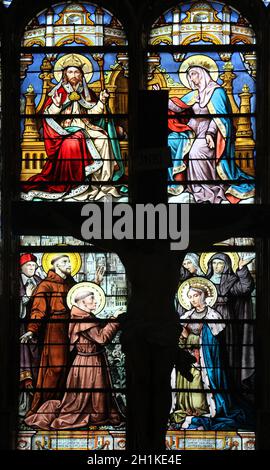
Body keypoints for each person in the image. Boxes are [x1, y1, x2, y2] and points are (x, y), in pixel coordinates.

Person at [21, 53, 124, 201]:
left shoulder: (86, 92)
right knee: (73, 142)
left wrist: (101, 101)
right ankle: (79, 185)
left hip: (86, 127)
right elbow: (48, 115)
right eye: (70, 71)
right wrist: (57, 105)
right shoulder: (58, 92)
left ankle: (103, 185)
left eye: (76, 71)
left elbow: (92, 112)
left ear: (82, 74)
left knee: (103, 138)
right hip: (65, 130)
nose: (73, 75)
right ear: (64, 74)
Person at [154, 55, 255, 203]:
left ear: (202, 73)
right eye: (189, 75)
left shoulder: (217, 92)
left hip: (211, 131)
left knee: (197, 151)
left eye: (193, 74)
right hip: (192, 129)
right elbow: (178, 106)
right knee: (171, 141)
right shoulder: (195, 94)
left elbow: (220, 117)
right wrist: (161, 97)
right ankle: (177, 184)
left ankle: (204, 189)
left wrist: (209, 133)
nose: (190, 78)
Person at [25, 288, 124, 430]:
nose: (96, 302)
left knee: (91, 398)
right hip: (89, 364)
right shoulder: (84, 320)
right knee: (93, 405)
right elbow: (102, 338)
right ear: (82, 302)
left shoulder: (80, 316)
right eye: (92, 299)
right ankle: (93, 415)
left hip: (85, 361)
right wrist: (114, 320)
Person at [171, 279, 249, 430]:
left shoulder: (214, 316)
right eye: (190, 297)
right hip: (187, 360)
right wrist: (184, 337)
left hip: (206, 361)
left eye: (195, 296)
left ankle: (202, 411)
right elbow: (179, 340)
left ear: (204, 296)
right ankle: (185, 411)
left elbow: (214, 342)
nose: (193, 300)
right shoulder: (186, 316)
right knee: (186, 383)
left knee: (200, 384)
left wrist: (198, 340)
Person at [20, 254, 76, 415]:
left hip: (71, 328)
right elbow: (38, 309)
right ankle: (42, 408)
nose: (69, 264)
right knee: (56, 367)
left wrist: (97, 283)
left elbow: (81, 297)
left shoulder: (70, 284)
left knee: (69, 368)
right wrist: (32, 329)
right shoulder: (45, 285)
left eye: (69, 261)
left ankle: (60, 407)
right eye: (64, 261)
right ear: (55, 265)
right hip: (55, 329)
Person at [205, 253, 255, 391]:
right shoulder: (203, 280)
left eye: (220, 263)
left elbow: (246, 288)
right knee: (208, 353)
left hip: (226, 320)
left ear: (226, 265)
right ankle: (209, 387)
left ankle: (228, 388)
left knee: (226, 352)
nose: (216, 266)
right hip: (206, 321)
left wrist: (242, 269)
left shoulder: (231, 280)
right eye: (214, 263)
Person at [19, 253, 42, 418]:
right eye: (28, 266)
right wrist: (26, 297)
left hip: (38, 332)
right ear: (21, 267)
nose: (31, 268)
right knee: (23, 363)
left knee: (37, 364)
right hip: (20, 331)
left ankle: (36, 404)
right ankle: (23, 404)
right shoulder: (14, 282)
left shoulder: (40, 282)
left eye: (34, 266)